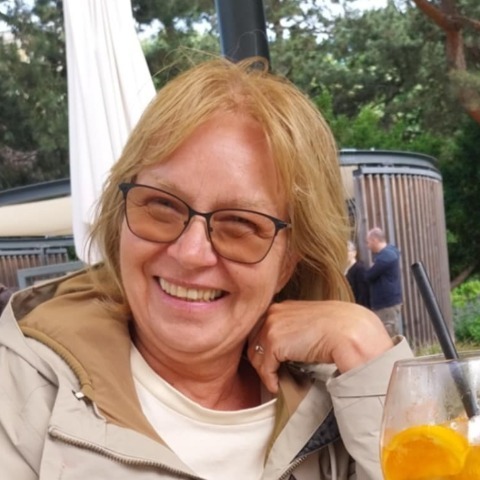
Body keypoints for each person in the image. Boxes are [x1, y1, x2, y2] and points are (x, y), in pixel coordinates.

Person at [0, 58, 413, 480]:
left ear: (289, 261)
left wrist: (368, 353)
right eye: (161, 205)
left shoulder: (344, 404)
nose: (190, 253)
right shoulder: (18, 392)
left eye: (241, 224)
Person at [365, 227, 403, 337]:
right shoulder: (390, 251)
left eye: (368, 242)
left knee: (389, 334)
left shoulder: (385, 257)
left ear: (375, 240)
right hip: (388, 302)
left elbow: (369, 275)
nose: (367, 246)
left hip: (386, 304)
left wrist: (372, 268)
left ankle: (398, 349)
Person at [345, 240, 370, 308]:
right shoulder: (344, 269)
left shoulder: (360, 268)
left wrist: (359, 307)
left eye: (347, 251)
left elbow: (362, 292)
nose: (345, 254)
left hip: (358, 306)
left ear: (354, 253)